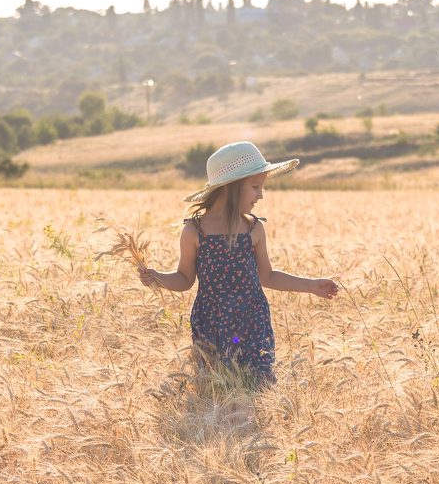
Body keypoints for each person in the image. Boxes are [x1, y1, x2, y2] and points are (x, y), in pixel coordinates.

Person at [138, 141, 337, 383]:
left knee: (257, 386)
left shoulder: (254, 228)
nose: (261, 194)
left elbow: (268, 276)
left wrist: (311, 285)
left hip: (252, 322)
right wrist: (157, 277)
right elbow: (184, 278)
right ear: (229, 187)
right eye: (255, 186)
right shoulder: (194, 230)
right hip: (212, 325)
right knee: (216, 388)